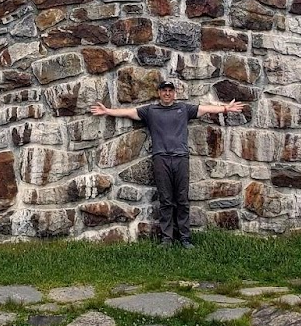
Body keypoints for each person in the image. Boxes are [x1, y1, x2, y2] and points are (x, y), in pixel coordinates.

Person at [89, 80, 244, 248]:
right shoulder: (150, 111)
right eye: (164, 90)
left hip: (181, 158)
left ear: (174, 93)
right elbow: (128, 112)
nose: (167, 93)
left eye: (170, 90)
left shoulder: (184, 109)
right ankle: (166, 239)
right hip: (161, 159)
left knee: (182, 200)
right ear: (159, 93)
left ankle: (185, 238)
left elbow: (205, 109)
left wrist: (225, 109)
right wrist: (107, 111)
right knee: (166, 200)